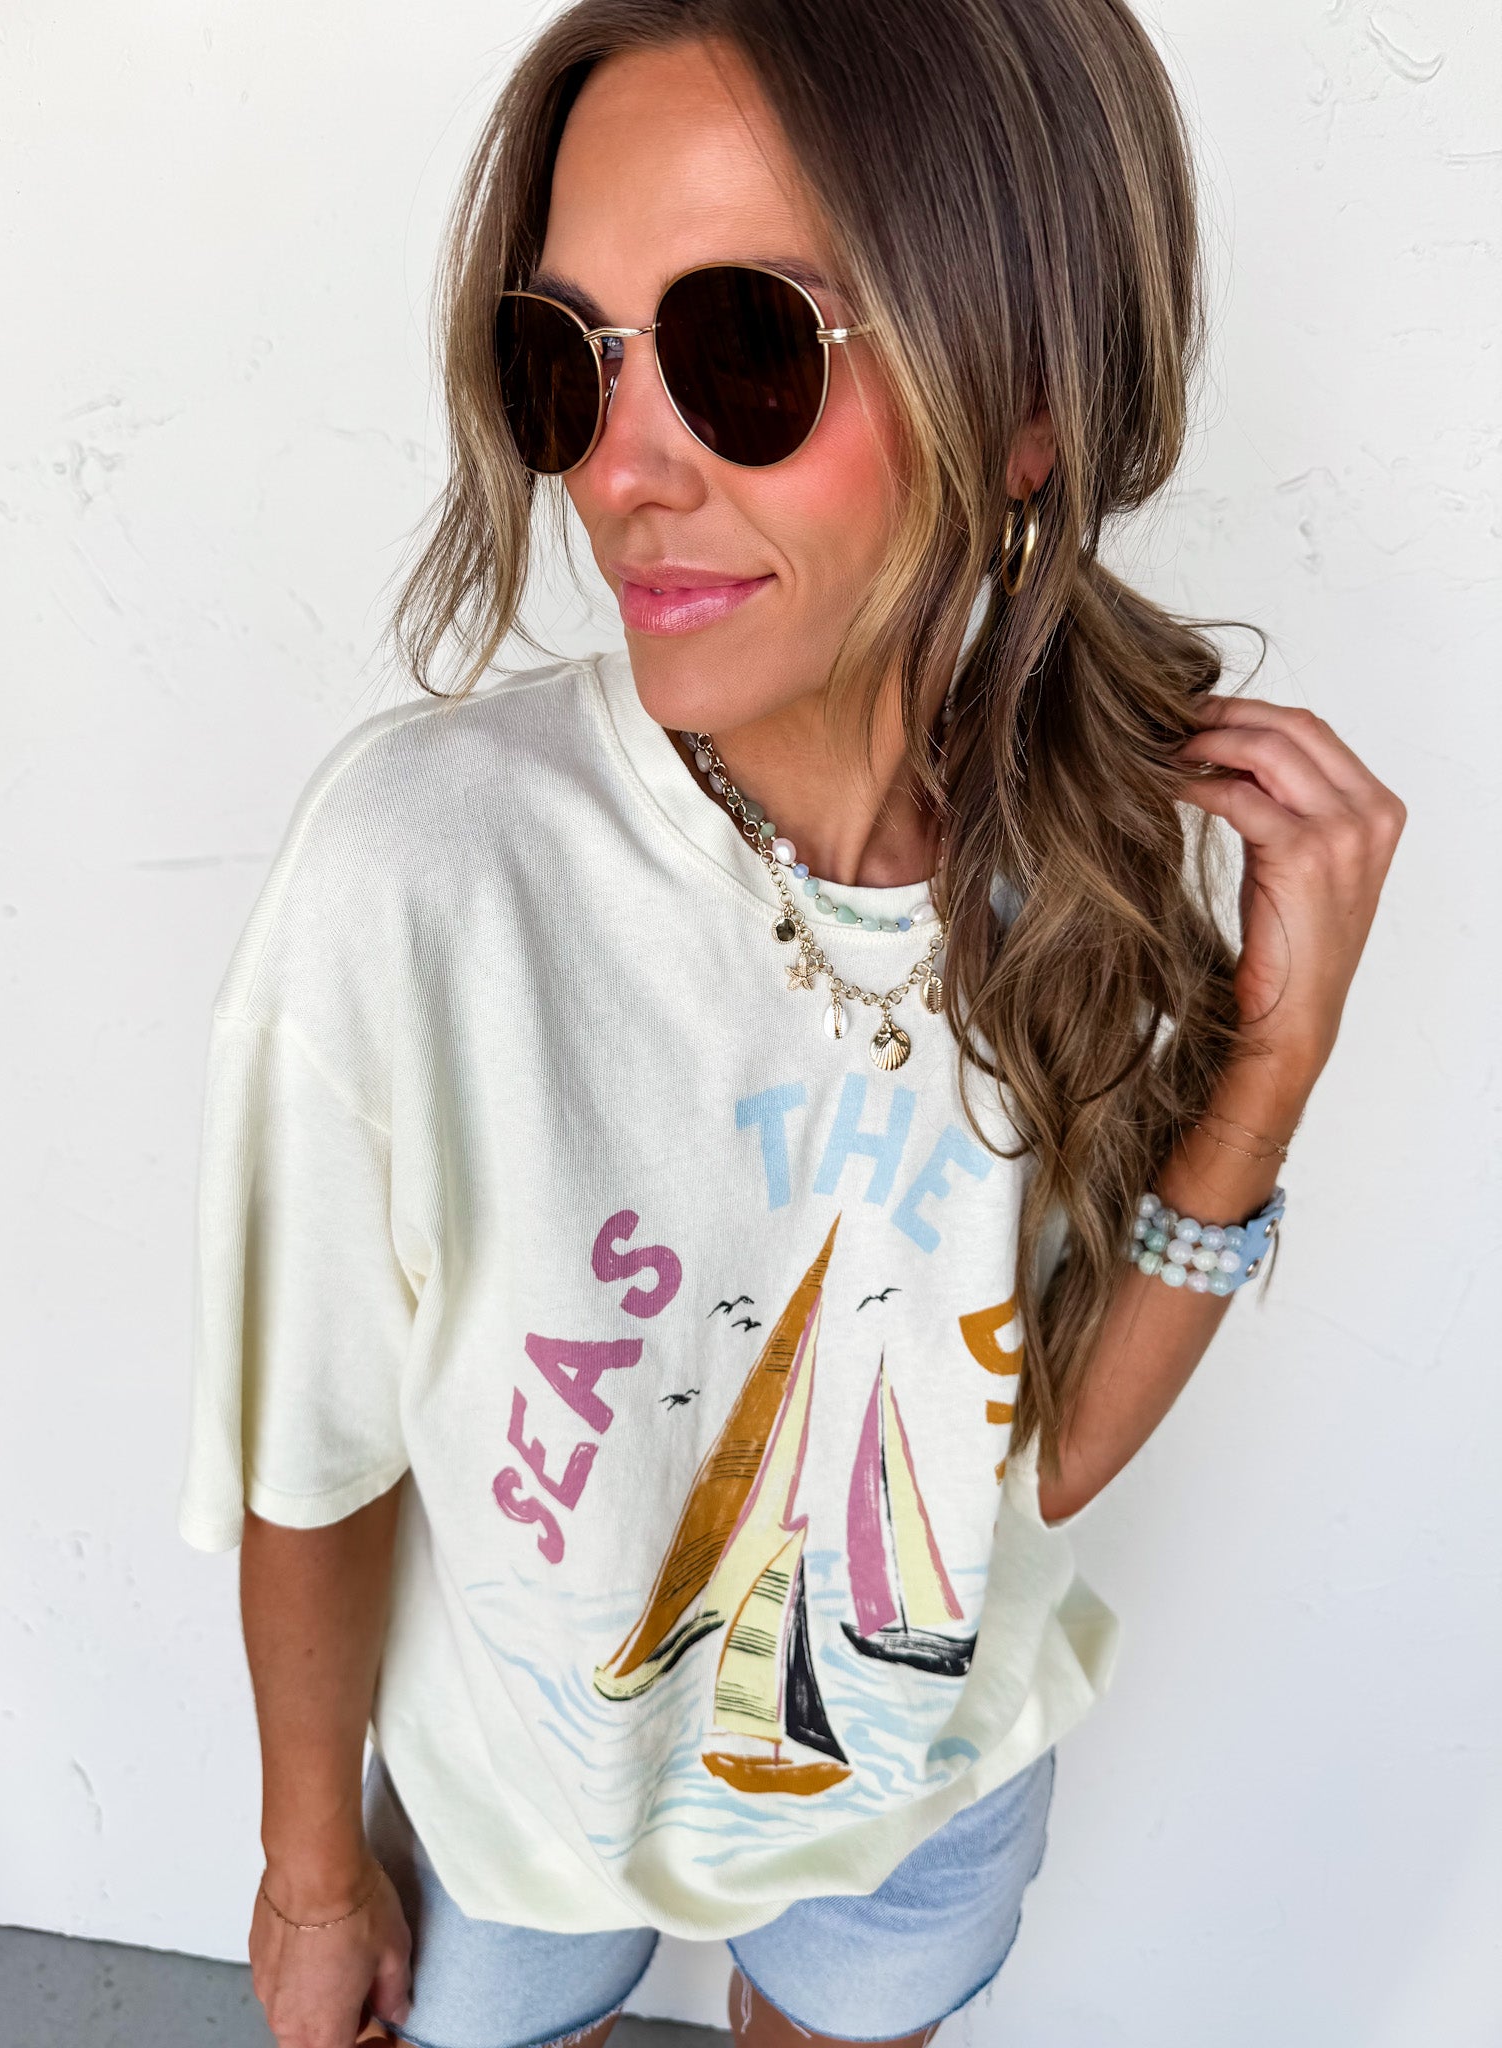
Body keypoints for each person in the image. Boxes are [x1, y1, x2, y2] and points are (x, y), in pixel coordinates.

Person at [178, 3, 1405, 2045]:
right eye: (565, 358)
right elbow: (314, 1460)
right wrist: (314, 1864)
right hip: (510, 1810)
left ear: (1023, 407)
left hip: (927, 1786)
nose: (621, 470)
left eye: (744, 345)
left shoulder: (1094, 855)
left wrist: (1271, 1065)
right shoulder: (427, 871)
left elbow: (1046, 1459)